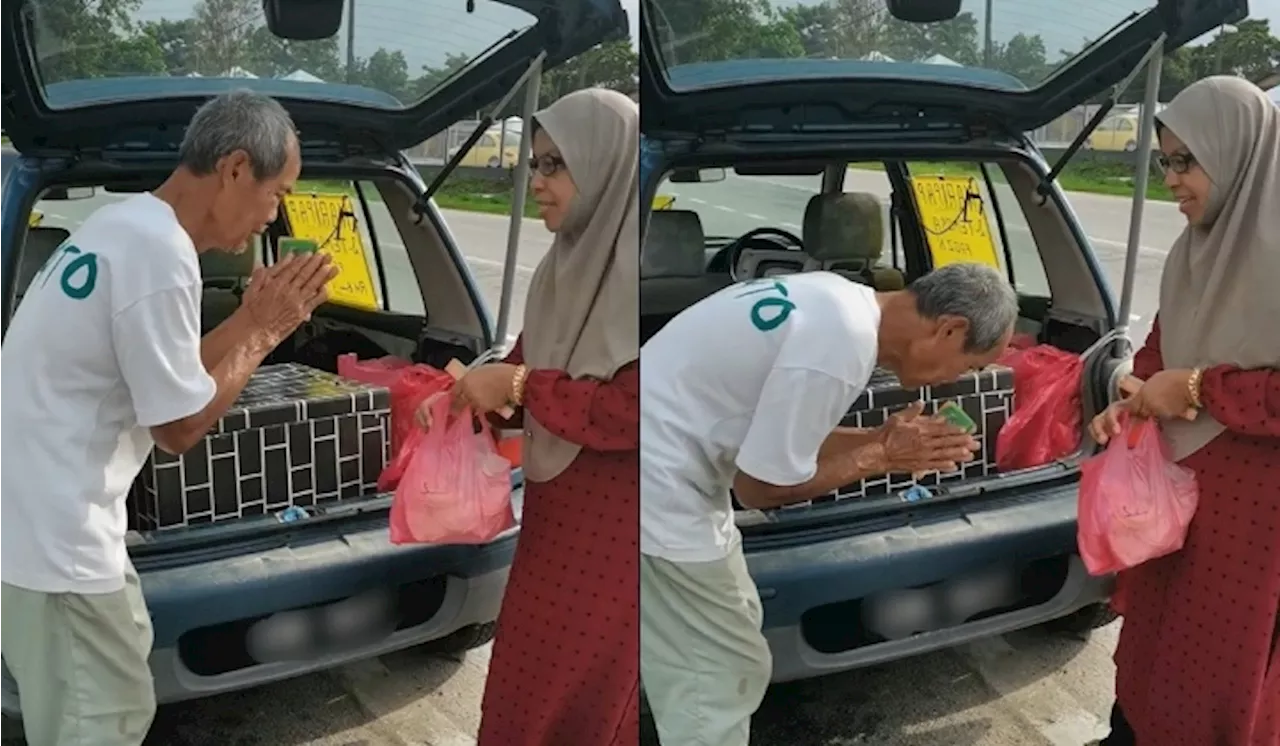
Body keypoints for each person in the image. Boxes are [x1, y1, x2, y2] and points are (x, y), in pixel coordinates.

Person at [0, 90, 336, 746]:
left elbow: (172, 381)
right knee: (99, 725)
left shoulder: (127, 227)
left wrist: (245, 319)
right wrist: (266, 330)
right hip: (59, 546)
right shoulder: (159, 256)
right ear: (237, 168)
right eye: (278, 193)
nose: (274, 218)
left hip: (36, 527)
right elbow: (179, 428)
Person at [640, 261, 1018, 745]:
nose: (951, 382)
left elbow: (782, 439)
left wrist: (877, 438)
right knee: (713, 676)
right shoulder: (840, 348)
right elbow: (758, 489)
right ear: (950, 328)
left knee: (730, 637)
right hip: (659, 488)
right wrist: (880, 457)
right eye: (968, 366)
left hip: (666, 468)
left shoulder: (838, 302)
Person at [419, 88, 639, 745]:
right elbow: (526, 368)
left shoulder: (642, 280)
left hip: (617, 535)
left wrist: (515, 383)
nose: (535, 182)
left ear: (605, 166)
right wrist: (466, 400)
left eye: (553, 165)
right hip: (554, 525)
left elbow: (633, 412)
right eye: (533, 164)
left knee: (582, 697)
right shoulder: (562, 268)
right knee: (525, 683)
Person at [1087, 76, 1280, 746]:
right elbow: (1163, 346)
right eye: (1164, 161)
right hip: (1176, 506)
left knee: (1222, 674)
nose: (1170, 179)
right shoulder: (1195, 250)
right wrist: (1136, 396)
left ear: (1238, 155)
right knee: (1153, 645)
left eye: (1185, 161)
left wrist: (1198, 390)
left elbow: (1194, 377)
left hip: (1256, 526)